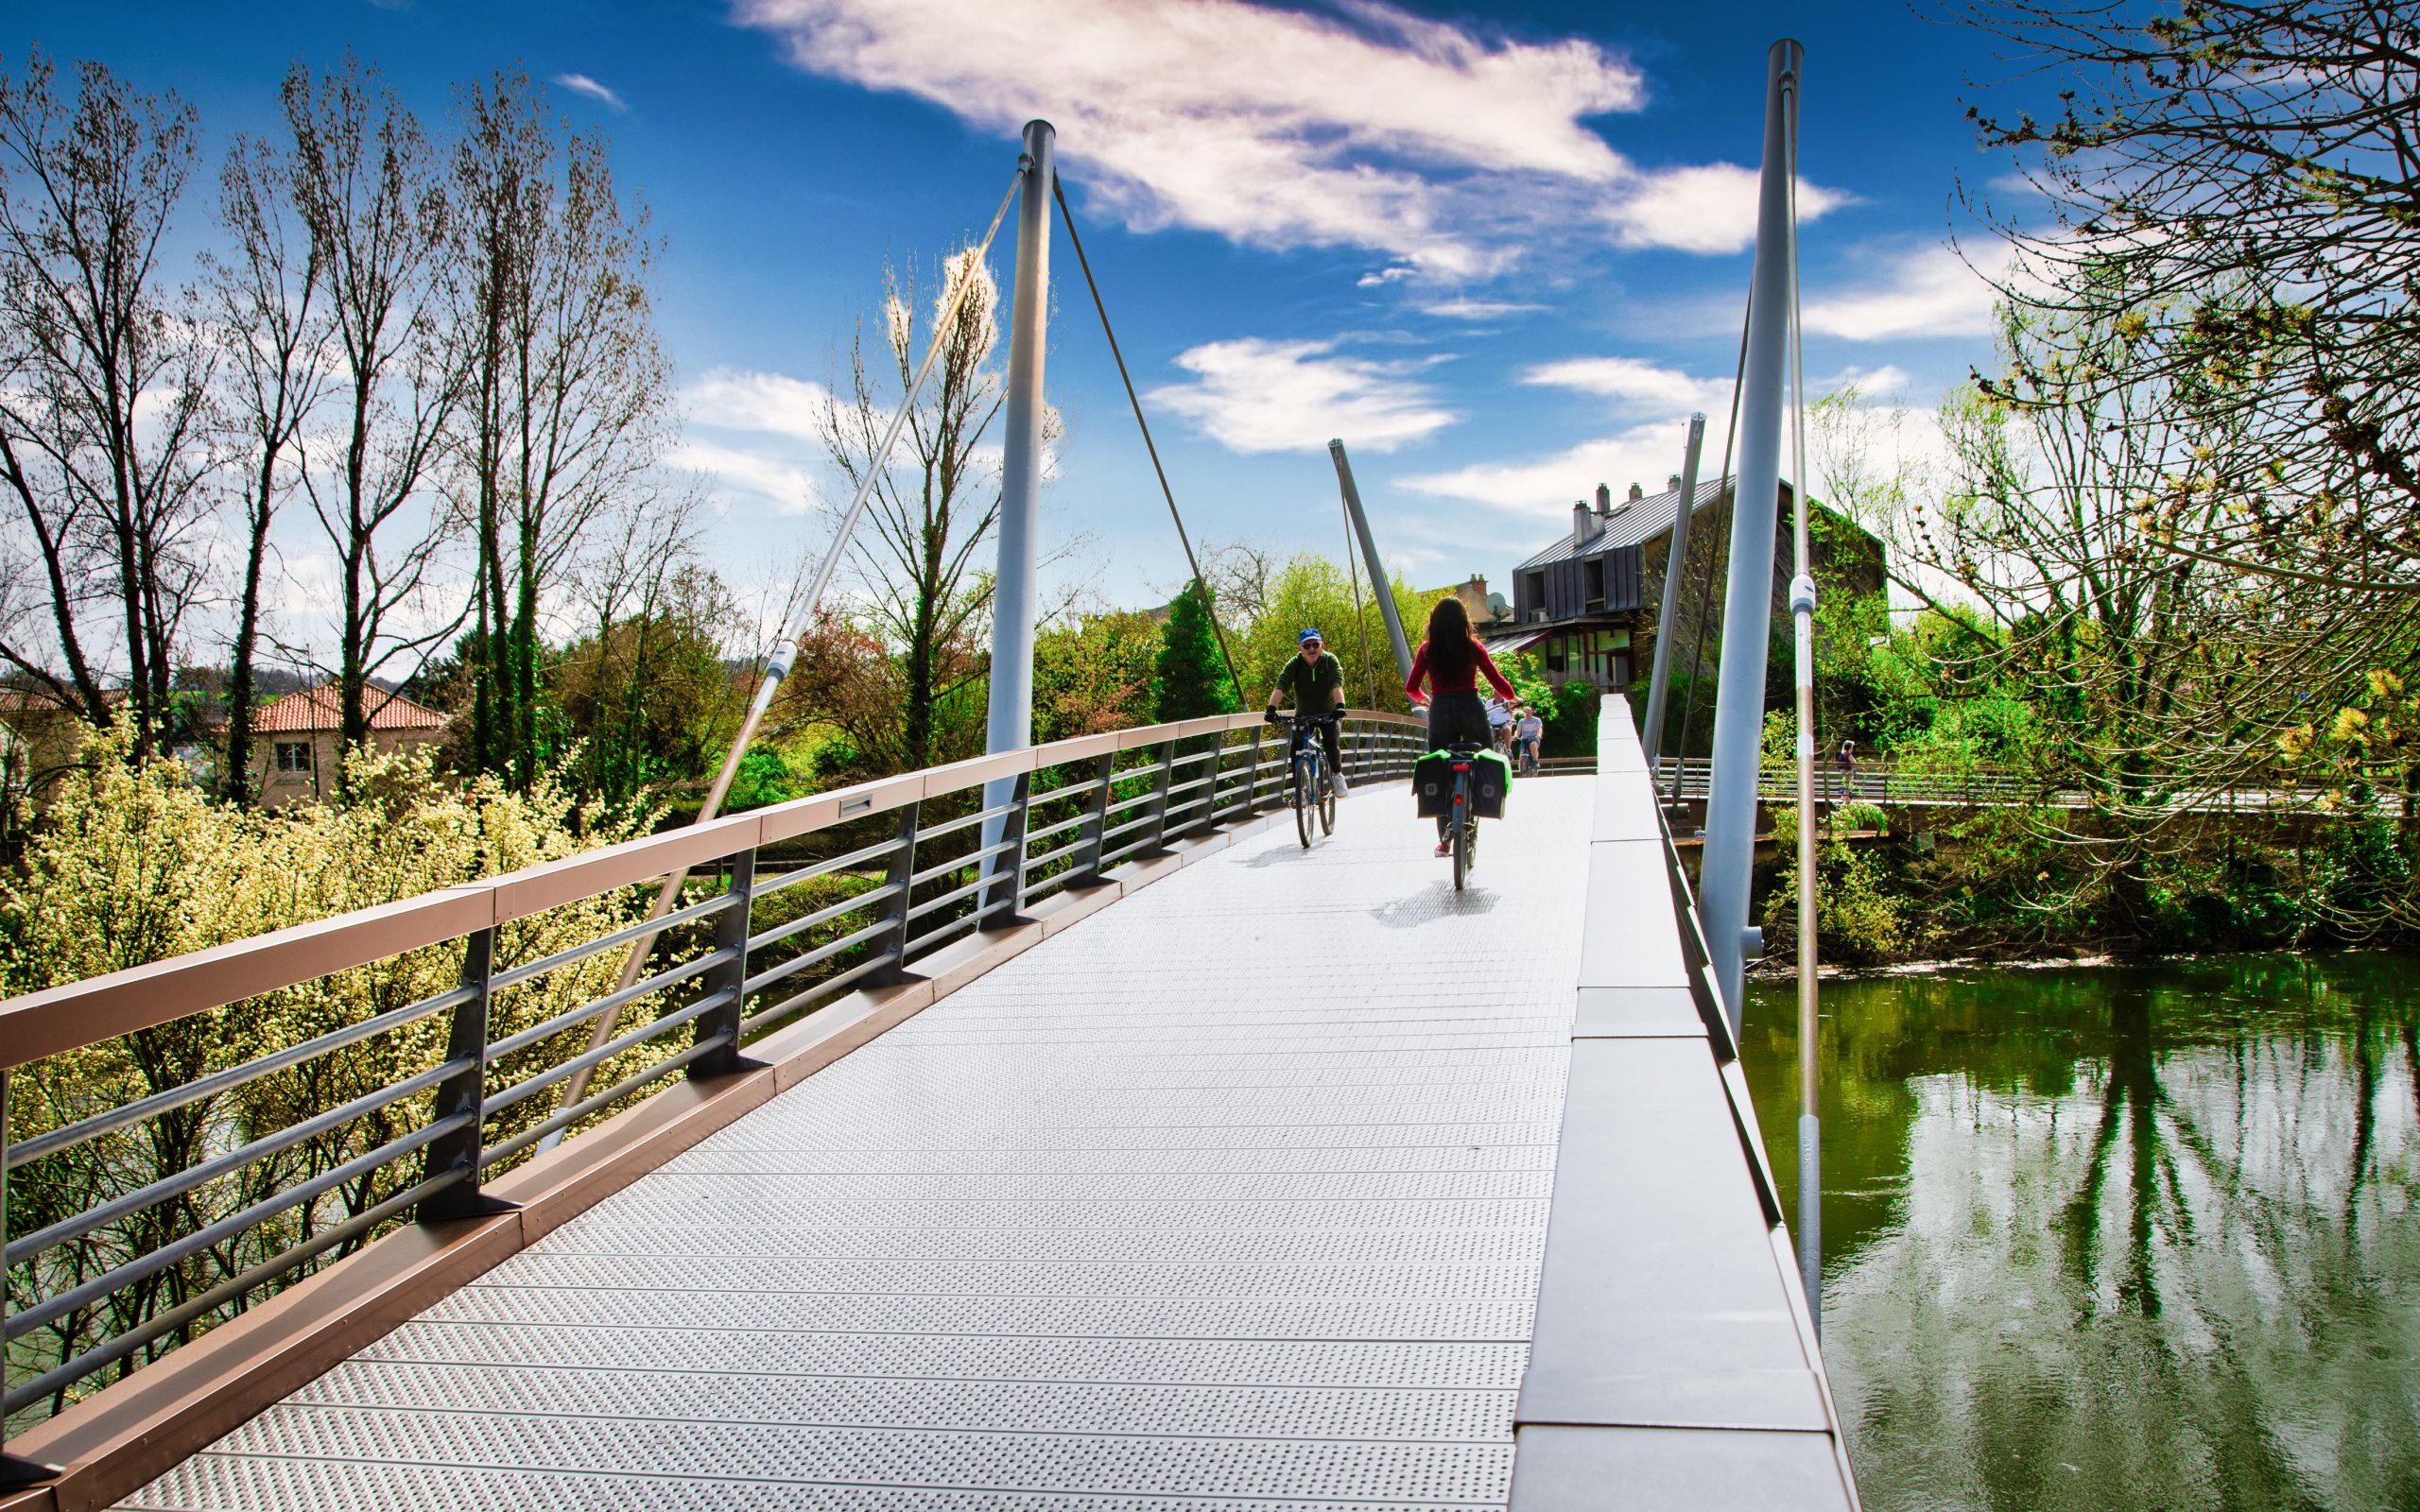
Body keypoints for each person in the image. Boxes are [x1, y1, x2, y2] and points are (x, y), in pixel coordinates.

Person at [1405, 596, 1517, 854]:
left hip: (1441, 709)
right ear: (1463, 621)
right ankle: (1477, 807)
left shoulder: (1427, 649)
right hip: (1470, 706)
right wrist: (1513, 698)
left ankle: (1445, 841)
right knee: (1485, 756)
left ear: (1434, 623)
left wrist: (1426, 699)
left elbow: (1411, 688)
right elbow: (1496, 680)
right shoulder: (1473, 646)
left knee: (1440, 766)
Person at [1266, 628, 1348, 795]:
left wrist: (1340, 706)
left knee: (1331, 743)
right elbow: (1281, 686)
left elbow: (1336, 684)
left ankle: (1337, 775)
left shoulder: (1329, 661)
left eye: (1315, 644)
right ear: (1300, 648)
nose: (1311, 649)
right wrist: (1271, 709)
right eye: (1307, 645)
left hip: (1329, 714)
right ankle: (1300, 790)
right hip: (1304, 715)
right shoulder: (1294, 664)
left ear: (1322, 645)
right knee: (1296, 748)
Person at [1514, 706, 1544, 774]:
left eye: (1528, 712)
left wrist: (1539, 734)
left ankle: (1535, 761)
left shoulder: (1537, 720)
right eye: (1525, 712)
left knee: (1533, 745)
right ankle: (1523, 772)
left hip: (1534, 738)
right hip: (1524, 740)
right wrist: (1515, 736)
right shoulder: (1521, 721)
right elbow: (1518, 730)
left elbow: (1540, 728)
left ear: (1531, 712)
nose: (1526, 713)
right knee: (1521, 755)